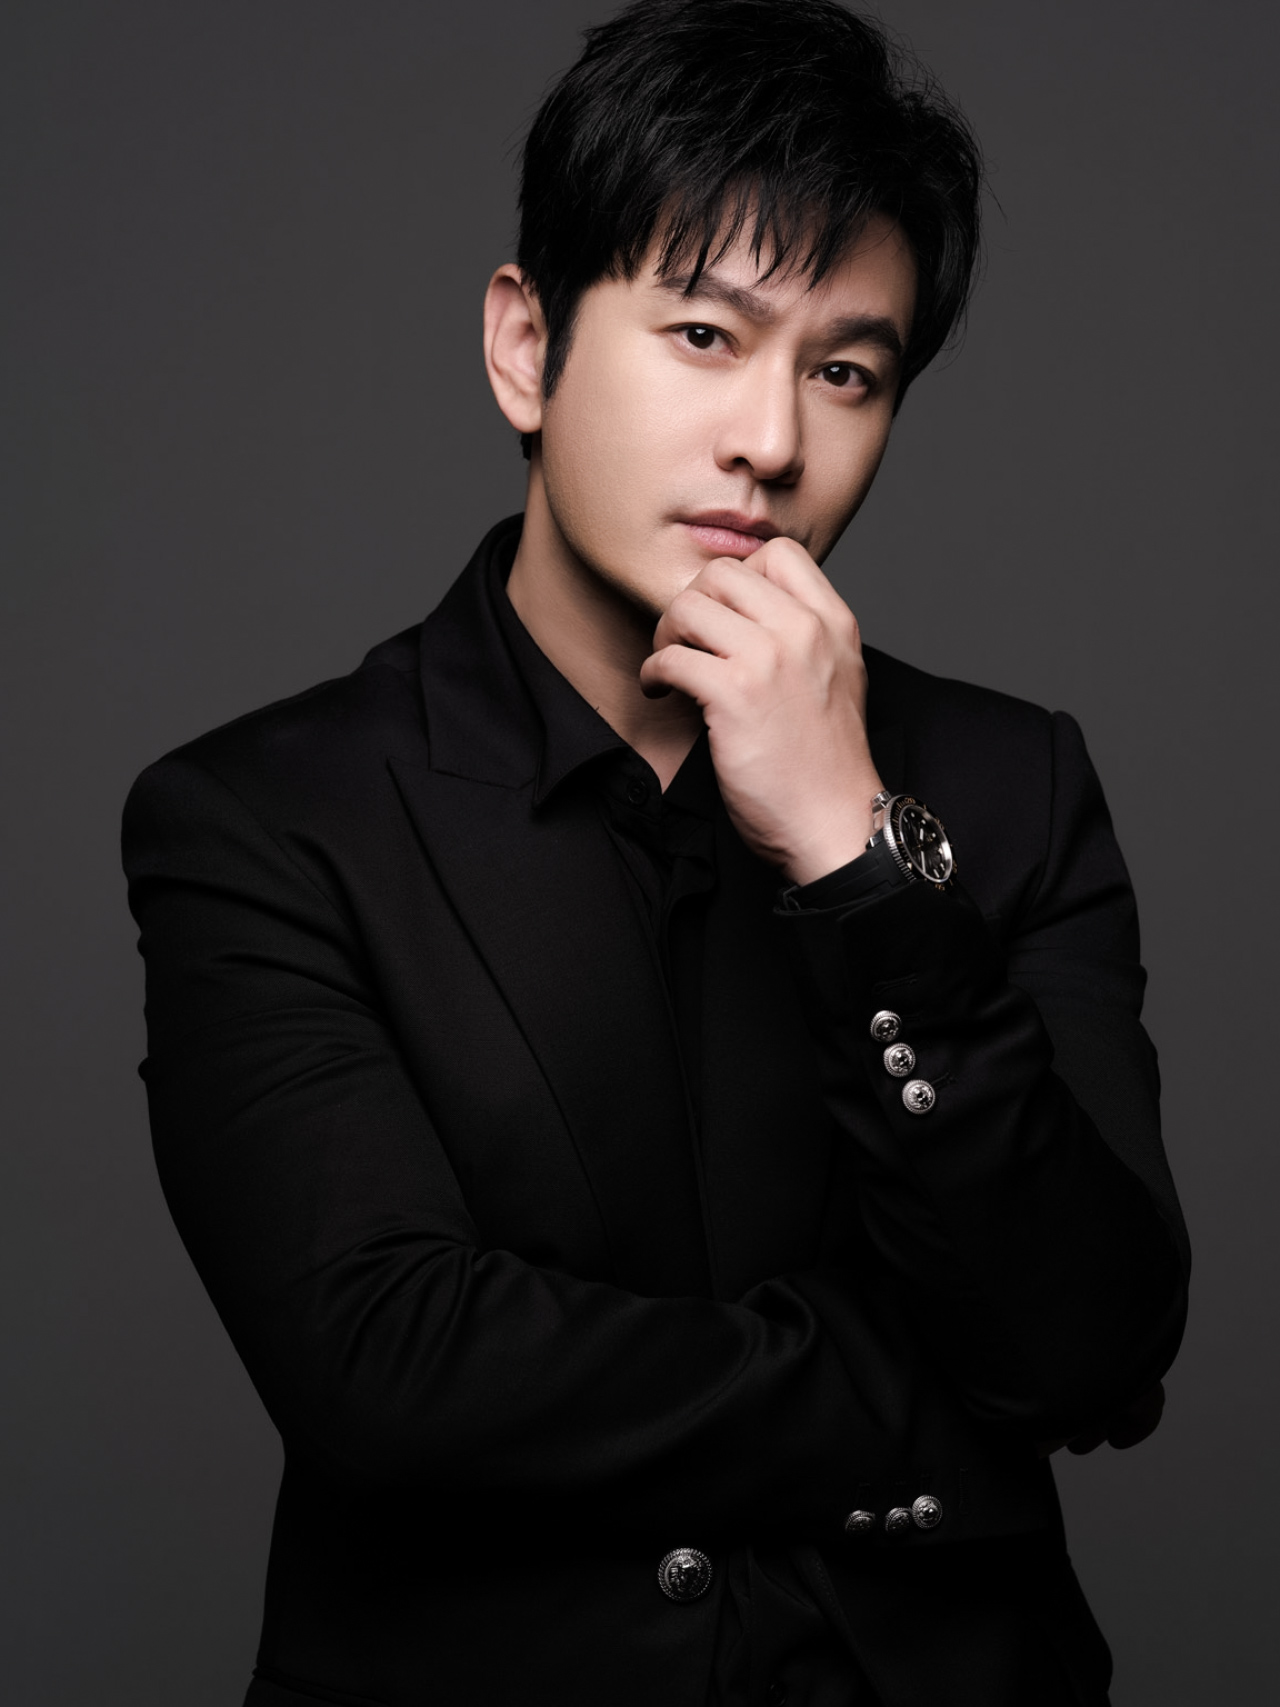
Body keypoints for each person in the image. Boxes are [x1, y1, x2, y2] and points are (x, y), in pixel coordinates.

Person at [121, 1, 1189, 1702]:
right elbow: (390, 1371)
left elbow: (1092, 1334)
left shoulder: (1009, 782)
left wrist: (855, 860)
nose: (773, 439)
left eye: (845, 371)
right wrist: (928, 1417)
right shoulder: (265, 819)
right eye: (704, 333)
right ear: (524, 348)